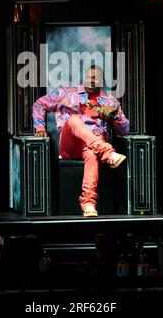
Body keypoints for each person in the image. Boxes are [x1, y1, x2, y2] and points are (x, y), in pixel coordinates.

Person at [33, 65, 129, 217]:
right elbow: (39, 104)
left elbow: (124, 130)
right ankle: (108, 153)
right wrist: (40, 128)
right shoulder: (65, 93)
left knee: (92, 151)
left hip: (92, 147)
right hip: (69, 146)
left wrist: (115, 114)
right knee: (73, 119)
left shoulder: (110, 102)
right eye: (88, 77)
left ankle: (88, 203)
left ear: (102, 81)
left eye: (95, 78)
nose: (90, 81)